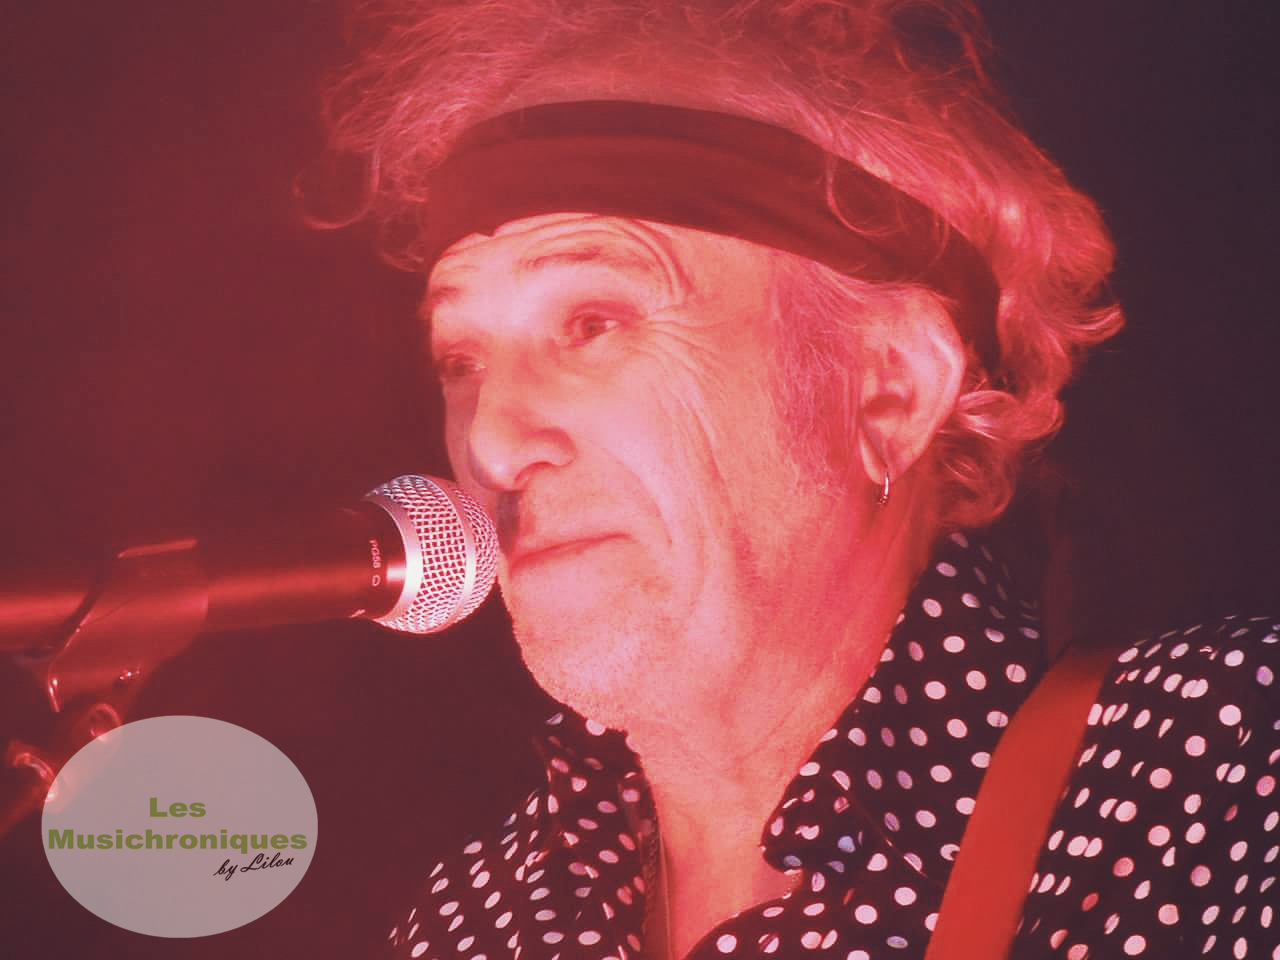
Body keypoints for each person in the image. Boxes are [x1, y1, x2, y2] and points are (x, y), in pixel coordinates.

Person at [321, 1, 1279, 957]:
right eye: (461, 359)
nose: (491, 444)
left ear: (889, 391)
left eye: (593, 323)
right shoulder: (469, 920)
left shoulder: (1223, 771)